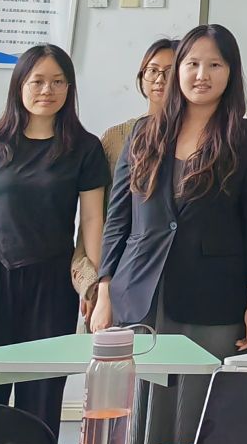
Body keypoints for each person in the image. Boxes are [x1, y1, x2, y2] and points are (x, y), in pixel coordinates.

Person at [93, 25, 247, 444]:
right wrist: (104, 291)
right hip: (141, 293)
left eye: (215, 65)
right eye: (192, 63)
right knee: (143, 416)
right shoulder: (144, 134)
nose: (201, 74)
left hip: (214, 294)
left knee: (198, 415)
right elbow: (118, 221)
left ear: (230, 74)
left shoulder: (244, 138)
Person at [0, 44, 107, 436]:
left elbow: (92, 220)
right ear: (19, 85)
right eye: (37, 81)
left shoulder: (84, 148)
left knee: (42, 396)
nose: (47, 90)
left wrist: (99, 285)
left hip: (52, 283)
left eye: (58, 82)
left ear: (69, 88)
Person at [73, 38, 174, 306]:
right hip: (117, 273)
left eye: (170, 71)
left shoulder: (199, 139)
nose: (160, 79)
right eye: (152, 70)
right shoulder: (117, 137)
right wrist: (92, 281)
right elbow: (97, 217)